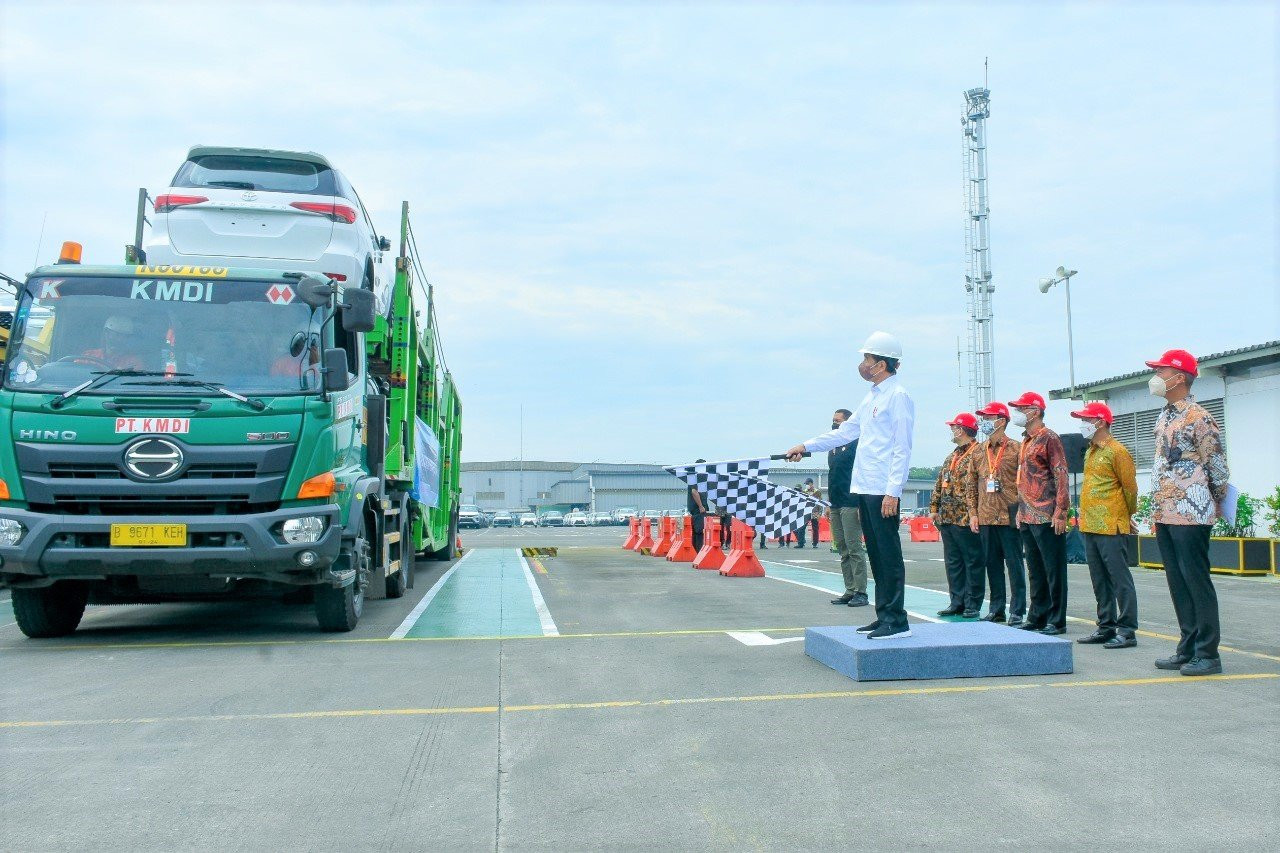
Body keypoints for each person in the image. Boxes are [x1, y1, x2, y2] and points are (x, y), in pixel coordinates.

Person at [786, 331, 915, 639]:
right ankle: (884, 614)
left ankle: (896, 620)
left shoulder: (898, 397)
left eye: (867, 359)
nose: (863, 364)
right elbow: (844, 433)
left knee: (888, 554)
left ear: (882, 364)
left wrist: (893, 492)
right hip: (865, 487)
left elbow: (902, 447)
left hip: (883, 489)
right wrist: (806, 446)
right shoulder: (872, 396)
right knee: (876, 555)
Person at [1145, 349, 1230, 676]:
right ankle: (1188, 646)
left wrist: (1219, 503)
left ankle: (1208, 654)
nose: (1156, 377)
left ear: (1179, 377)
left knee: (1195, 580)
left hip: (1192, 512)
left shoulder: (1199, 417)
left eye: (1161, 371)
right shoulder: (1164, 416)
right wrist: (1155, 507)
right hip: (1166, 512)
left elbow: (1217, 466)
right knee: (1177, 581)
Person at [1070, 401, 1139, 649]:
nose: (1083, 424)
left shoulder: (1117, 451)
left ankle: (1127, 629)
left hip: (1111, 525)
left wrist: (1126, 515)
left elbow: (1130, 489)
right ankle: (1106, 626)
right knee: (1099, 579)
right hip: (1090, 525)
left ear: (1100, 422)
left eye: (1086, 420)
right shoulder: (1090, 451)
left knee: (1119, 578)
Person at [1008, 391, 1070, 635]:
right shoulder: (1026, 440)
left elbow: (1060, 473)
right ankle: (1037, 615)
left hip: (1046, 514)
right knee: (1035, 568)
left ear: (1034, 411)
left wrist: (1061, 510)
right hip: (1026, 514)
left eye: (1021, 409)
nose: (1018, 414)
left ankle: (1057, 619)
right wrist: (1020, 510)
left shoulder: (1049, 438)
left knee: (1053, 569)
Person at [966, 402, 1026, 627]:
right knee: (992, 565)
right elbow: (971, 484)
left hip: (1010, 515)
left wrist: (1023, 510)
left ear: (1001, 421)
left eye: (988, 417)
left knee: (1015, 565)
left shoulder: (1016, 448)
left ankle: (1018, 610)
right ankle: (996, 609)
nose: (983, 422)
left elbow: (1025, 483)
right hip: (986, 515)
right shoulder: (979, 451)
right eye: (982, 417)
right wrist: (973, 513)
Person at [931, 413, 984, 618]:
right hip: (948, 517)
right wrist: (934, 507)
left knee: (972, 561)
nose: (952, 431)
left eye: (954, 427)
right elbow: (939, 483)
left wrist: (975, 513)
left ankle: (972, 603)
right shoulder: (952, 456)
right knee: (953, 562)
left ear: (961, 429)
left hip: (966, 516)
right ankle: (957, 601)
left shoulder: (978, 452)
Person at [824, 409, 871, 608]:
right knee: (842, 549)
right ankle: (849, 589)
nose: (834, 424)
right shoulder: (833, 447)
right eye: (833, 421)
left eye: (838, 421)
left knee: (854, 549)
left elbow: (862, 473)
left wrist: (861, 503)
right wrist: (828, 503)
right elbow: (833, 476)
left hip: (851, 502)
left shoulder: (856, 444)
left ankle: (861, 591)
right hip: (835, 503)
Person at [687, 459, 708, 552]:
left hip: (694, 509)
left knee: (696, 532)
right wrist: (701, 506)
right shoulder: (696, 477)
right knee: (700, 531)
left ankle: (696, 552)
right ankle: (699, 552)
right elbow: (694, 492)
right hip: (698, 510)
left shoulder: (692, 477)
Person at [797, 478, 822, 548]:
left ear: (811, 483)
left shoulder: (817, 492)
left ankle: (815, 543)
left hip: (815, 512)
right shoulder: (804, 492)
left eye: (808, 484)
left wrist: (820, 513)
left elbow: (820, 503)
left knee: (815, 528)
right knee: (801, 527)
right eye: (806, 484)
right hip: (806, 512)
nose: (807, 485)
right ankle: (800, 543)